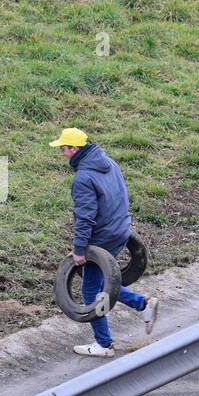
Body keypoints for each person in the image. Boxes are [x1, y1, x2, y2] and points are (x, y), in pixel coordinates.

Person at [50, 127, 158, 357]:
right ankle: (143, 303)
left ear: (74, 149)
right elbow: (121, 195)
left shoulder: (83, 178)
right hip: (120, 231)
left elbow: (85, 217)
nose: (61, 153)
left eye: (63, 149)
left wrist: (79, 250)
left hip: (101, 240)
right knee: (101, 286)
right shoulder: (109, 163)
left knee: (90, 292)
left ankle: (104, 344)